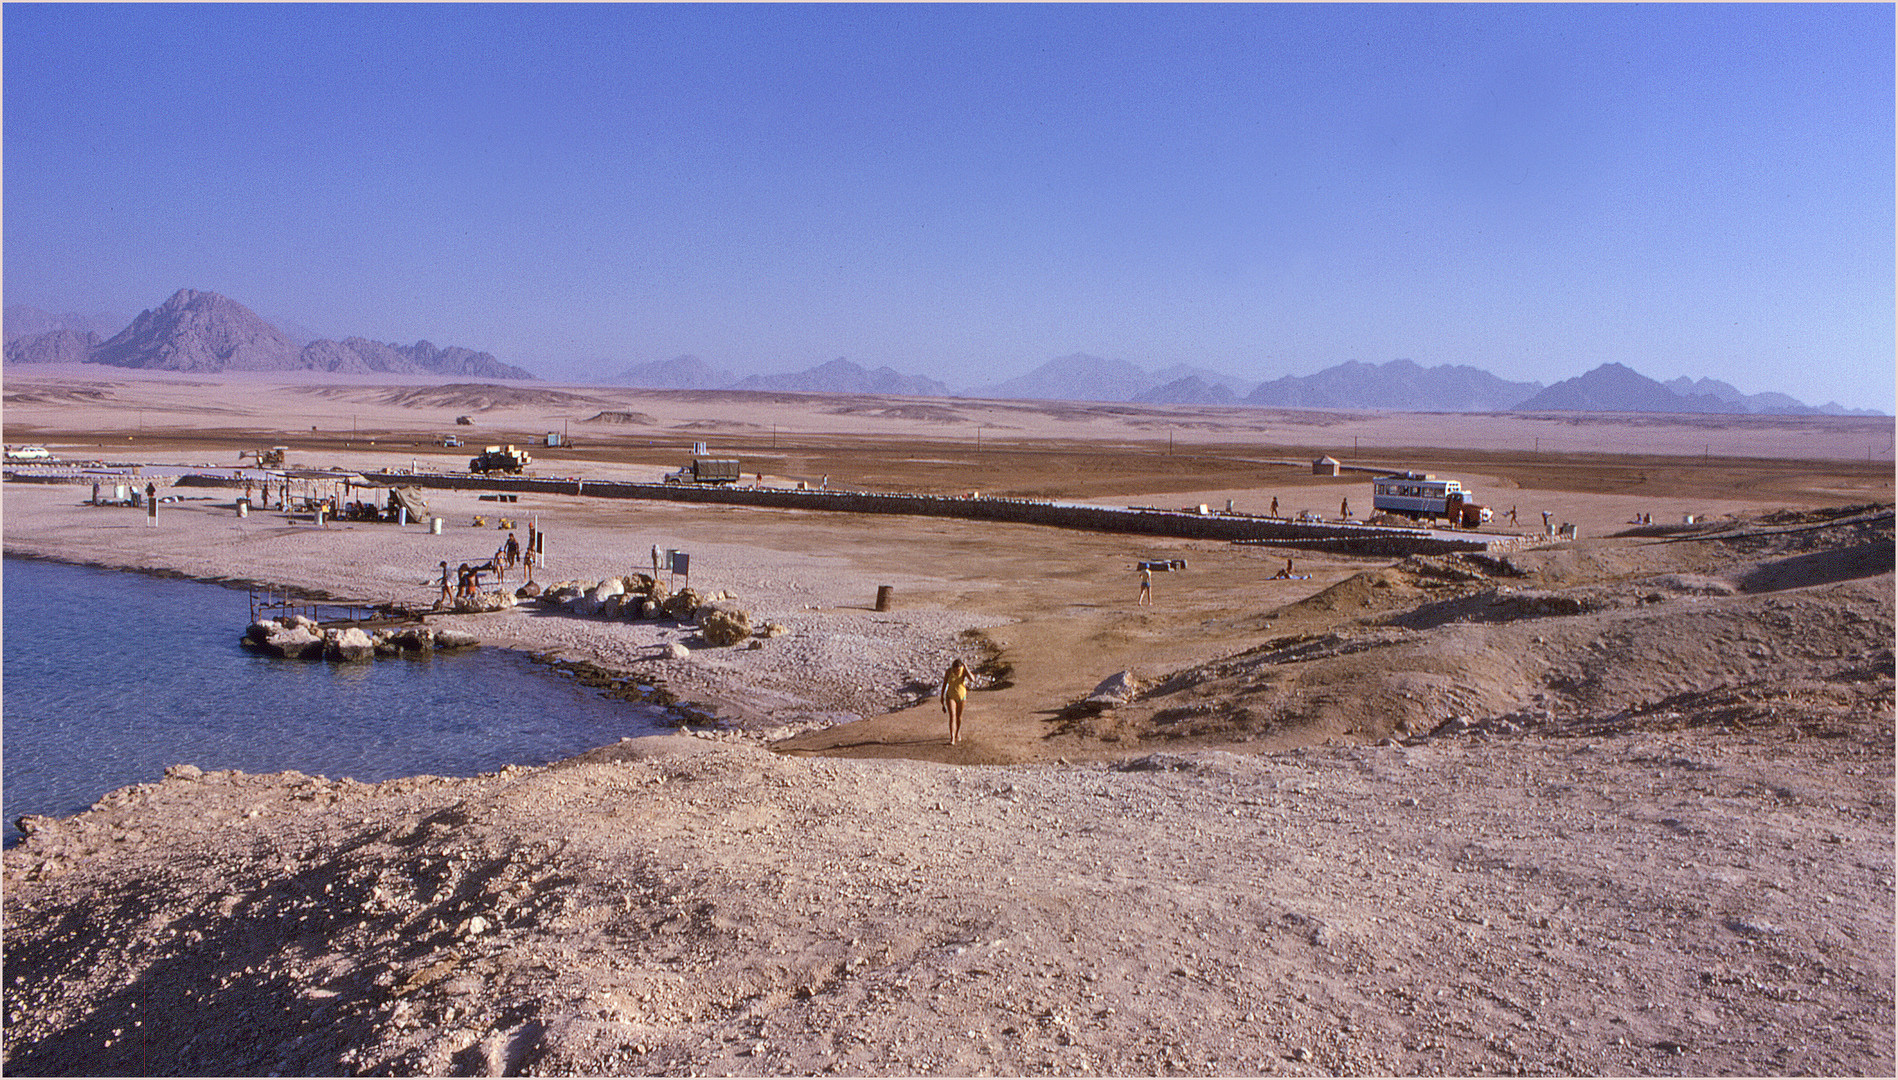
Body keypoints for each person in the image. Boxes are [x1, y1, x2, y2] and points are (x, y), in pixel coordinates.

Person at [940, 659, 972, 746]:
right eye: (954, 670)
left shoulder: (963, 671)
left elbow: (972, 679)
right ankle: (952, 738)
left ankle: (958, 732)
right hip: (950, 696)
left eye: (957, 670)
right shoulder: (949, 672)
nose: (956, 671)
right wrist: (942, 696)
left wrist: (966, 668)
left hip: (962, 696)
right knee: (952, 716)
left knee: (959, 717)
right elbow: (944, 684)